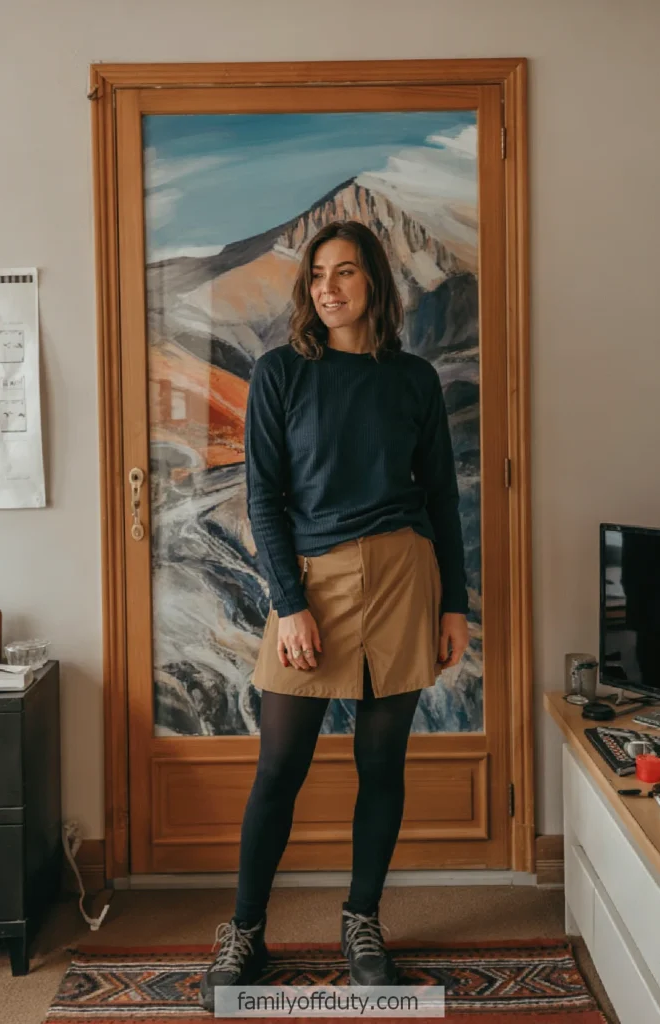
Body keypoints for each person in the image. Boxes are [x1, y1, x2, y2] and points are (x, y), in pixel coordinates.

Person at [199, 220, 469, 1010]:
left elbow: (441, 501)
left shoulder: (412, 379)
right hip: (312, 583)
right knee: (279, 766)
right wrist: (288, 604)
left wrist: (452, 602)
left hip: (402, 577)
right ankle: (246, 928)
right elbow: (264, 499)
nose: (327, 287)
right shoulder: (281, 373)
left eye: (345, 272)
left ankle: (362, 923)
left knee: (381, 765)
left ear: (373, 284)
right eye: (317, 274)